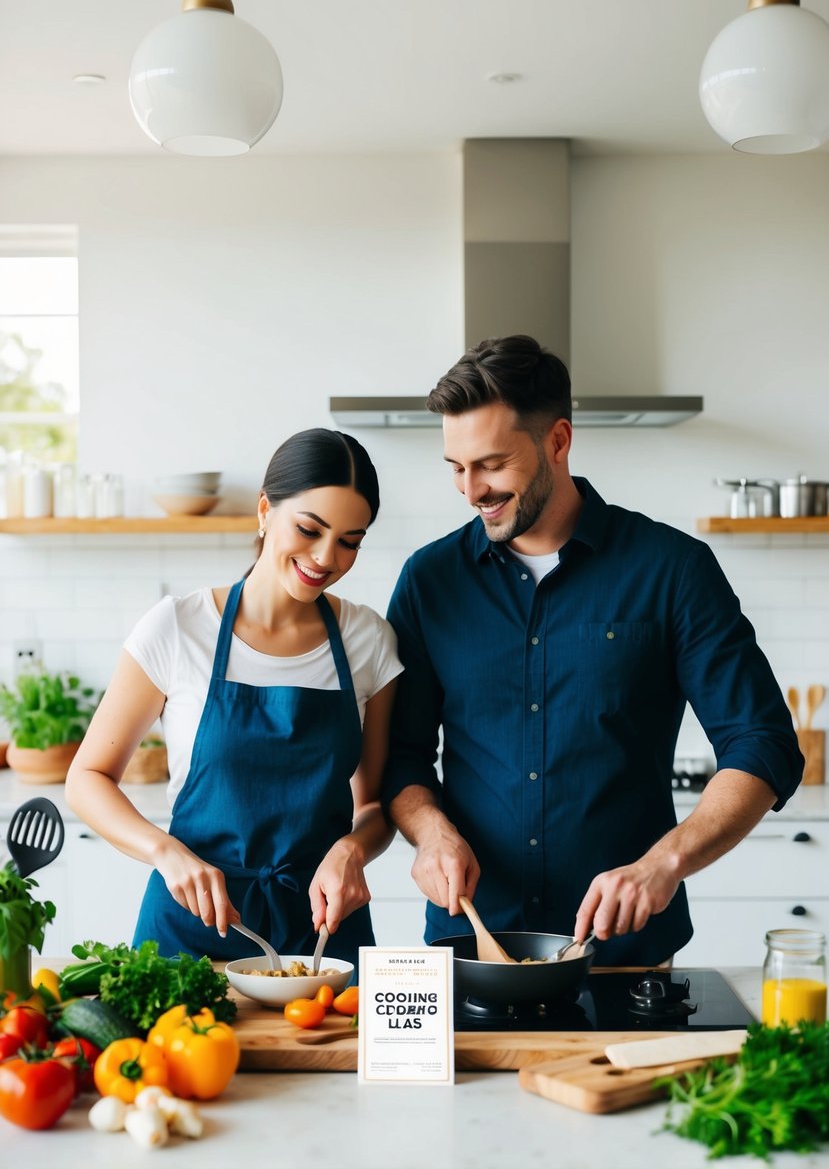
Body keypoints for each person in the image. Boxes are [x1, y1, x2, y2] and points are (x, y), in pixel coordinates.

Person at [381, 335, 803, 966]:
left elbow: (763, 742)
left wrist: (665, 862)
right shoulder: (429, 580)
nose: (471, 491)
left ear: (557, 441)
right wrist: (430, 833)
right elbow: (400, 755)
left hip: (624, 955)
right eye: (455, 467)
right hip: (473, 947)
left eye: (492, 464)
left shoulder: (672, 570)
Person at [66, 428, 403, 965]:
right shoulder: (179, 628)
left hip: (322, 935)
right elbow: (86, 779)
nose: (325, 557)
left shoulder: (368, 641)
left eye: (349, 541)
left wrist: (353, 849)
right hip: (191, 926)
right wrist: (165, 852)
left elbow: (374, 805)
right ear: (265, 510)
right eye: (309, 529)